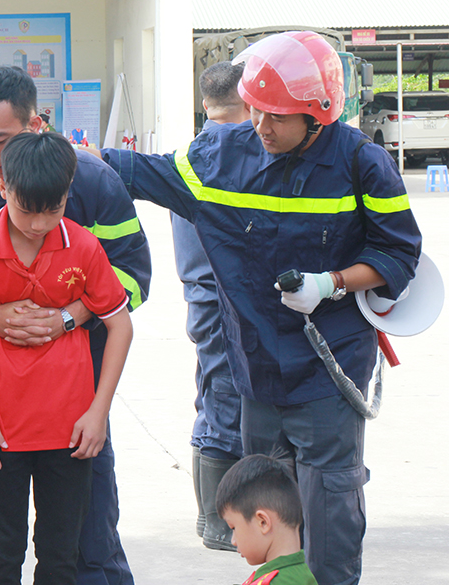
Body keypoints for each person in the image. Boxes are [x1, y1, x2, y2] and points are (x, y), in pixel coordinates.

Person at [100, 32, 422, 585]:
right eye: (256, 110)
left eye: (277, 117)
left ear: (318, 114)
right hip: (256, 372)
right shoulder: (218, 156)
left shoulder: (362, 164)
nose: (261, 126)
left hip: (328, 373)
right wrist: (68, 159)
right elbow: (137, 173)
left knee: (327, 514)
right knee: (265, 518)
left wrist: (332, 283)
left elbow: (399, 252)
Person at [0, 65, 151, 585]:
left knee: (84, 537)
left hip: (71, 403)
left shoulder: (96, 184)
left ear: (36, 125)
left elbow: (133, 275)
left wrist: (69, 317)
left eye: (1, 139)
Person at [177, 60, 248, 551]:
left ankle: (211, 517)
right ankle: (219, 522)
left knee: (213, 397)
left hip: (202, 297)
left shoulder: (191, 153)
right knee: (224, 404)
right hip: (223, 300)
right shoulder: (231, 155)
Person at [216, 454, 318, 585]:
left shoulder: (280, 581)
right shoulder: (299, 574)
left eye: (233, 527)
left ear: (263, 522)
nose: (233, 541)